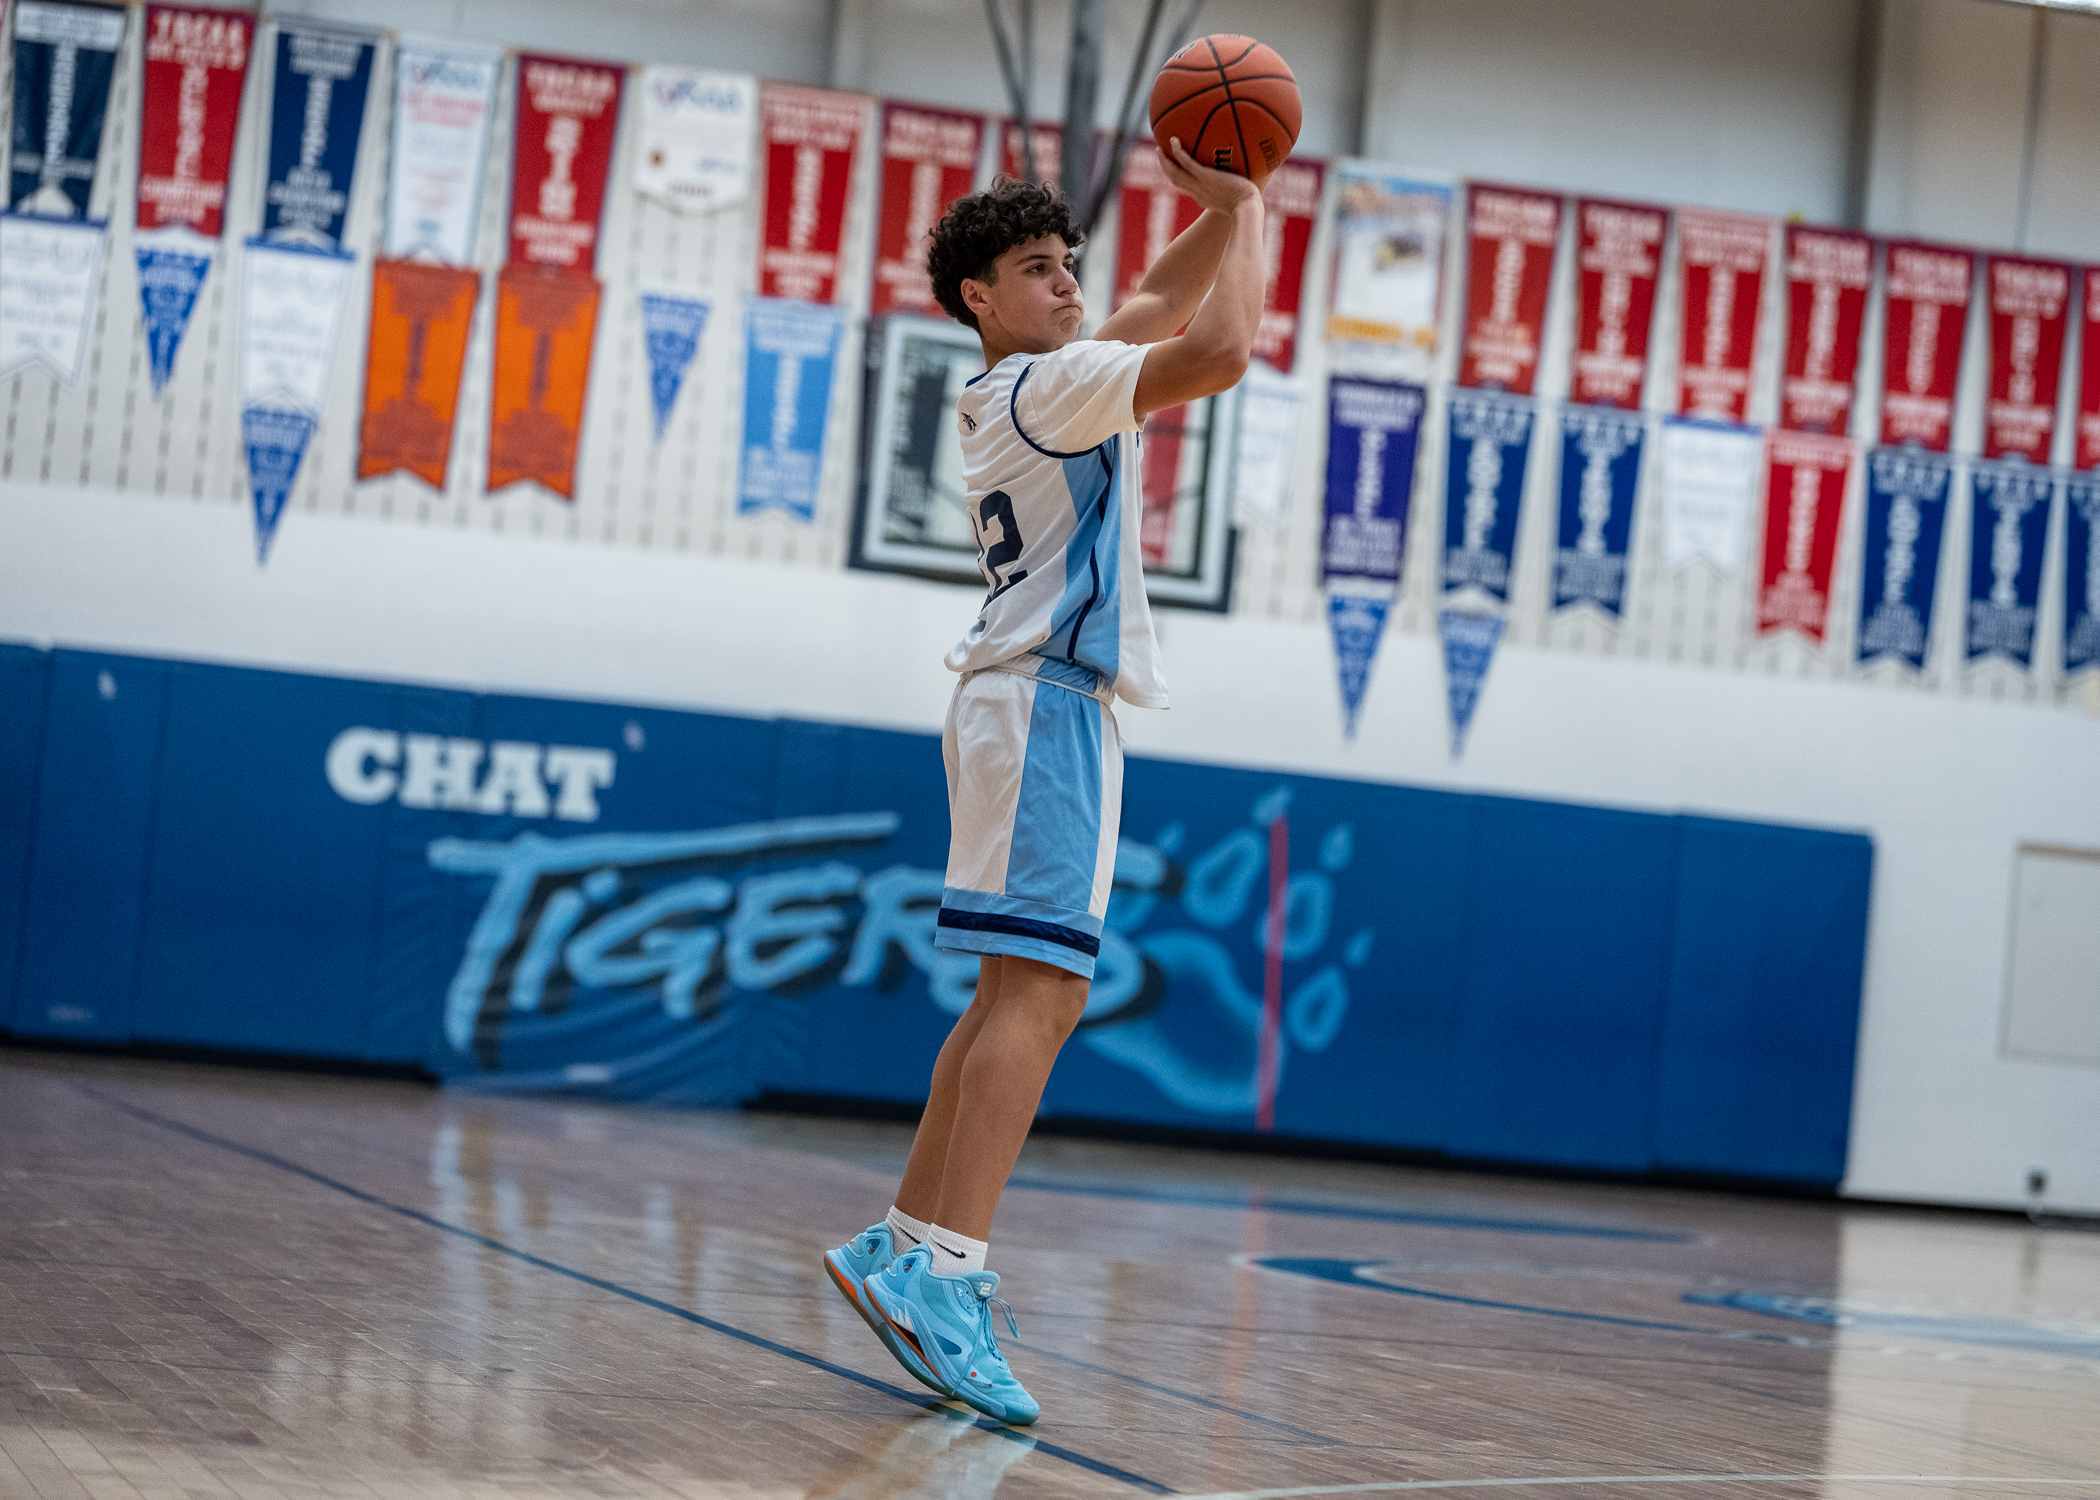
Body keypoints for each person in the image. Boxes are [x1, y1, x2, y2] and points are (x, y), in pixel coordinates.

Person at [822, 138, 1272, 1425]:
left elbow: (1155, 302)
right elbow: (1218, 348)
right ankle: (946, 1274)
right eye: (1036, 267)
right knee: (1047, 997)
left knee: (1010, 995)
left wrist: (1210, 209)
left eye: (1068, 260)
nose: (1069, 281)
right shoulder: (1049, 389)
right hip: (1046, 707)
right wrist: (1248, 207)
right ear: (978, 296)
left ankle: (908, 1241)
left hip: (1017, 704)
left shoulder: (1021, 386)